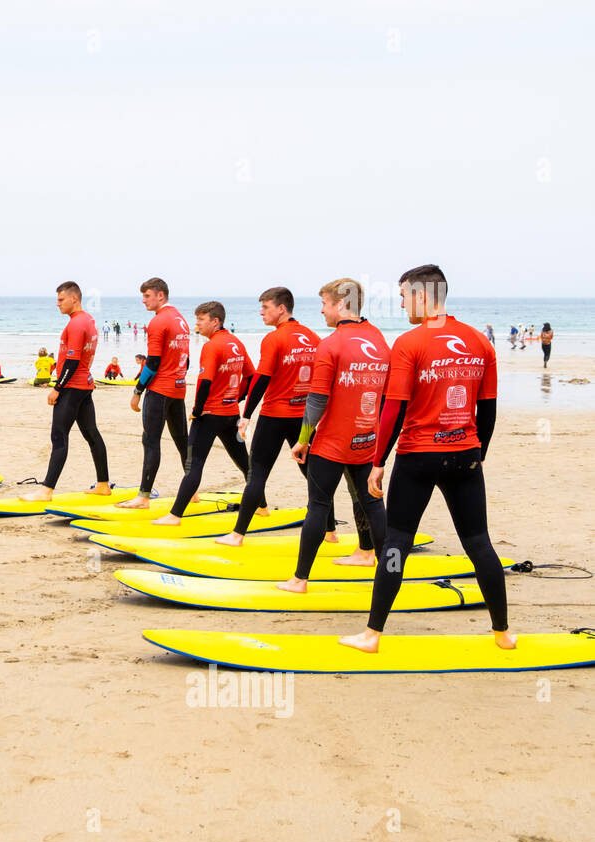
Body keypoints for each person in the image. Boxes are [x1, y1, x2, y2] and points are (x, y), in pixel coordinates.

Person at [342, 264, 509, 653]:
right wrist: (477, 452)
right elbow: (488, 409)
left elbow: (394, 409)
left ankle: (372, 635)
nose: (401, 304)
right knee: (479, 542)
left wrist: (378, 460)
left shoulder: (410, 342)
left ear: (421, 295)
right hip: (464, 454)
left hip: (418, 456)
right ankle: (503, 634)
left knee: (397, 542)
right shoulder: (479, 342)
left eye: (403, 296)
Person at [276, 279, 389, 592]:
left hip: (332, 443)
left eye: (324, 304)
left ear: (340, 305)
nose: (322, 311)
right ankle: (389, 571)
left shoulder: (332, 344)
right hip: (367, 439)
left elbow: (316, 400)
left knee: (318, 507)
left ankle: (299, 580)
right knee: (374, 505)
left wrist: (302, 439)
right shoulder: (379, 340)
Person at [214, 287, 323, 545]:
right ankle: (330, 533)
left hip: (274, 416)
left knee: (257, 475)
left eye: (265, 307)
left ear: (281, 308)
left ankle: (238, 535)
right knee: (313, 475)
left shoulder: (274, 339)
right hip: (304, 418)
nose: (261, 312)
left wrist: (247, 414)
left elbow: (261, 379)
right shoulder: (313, 338)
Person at [151, 301, 251, 526]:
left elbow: (204, 382)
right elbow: (251, 376)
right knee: (245, 463)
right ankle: (262, 507)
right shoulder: (236, 342)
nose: (196, 324)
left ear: (215, 322)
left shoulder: (212, 346)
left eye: (201, 320)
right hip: (231, 415)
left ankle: (175, 515)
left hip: (209, 415)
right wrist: (237, 398)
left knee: (193, 465)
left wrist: (197, 410)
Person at [19, 281, 111, 501]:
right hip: (84, 386)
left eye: (61, 300)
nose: (58, 304)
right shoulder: (89, 320)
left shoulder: (77, 324)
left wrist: (57, 388)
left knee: (59, 436)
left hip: (72, 387)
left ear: (74, 299)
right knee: (91, 434)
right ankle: (103, 484)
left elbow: (72, 360)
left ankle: (46, 490)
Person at [118, 278, 189, 510]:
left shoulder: (159, 321)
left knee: (150, 441)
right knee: (181, 442)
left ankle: (143, 497)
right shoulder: (182, 320)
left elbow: (153, 362)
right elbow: (186, 360)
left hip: (159, 390)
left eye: (147, 296)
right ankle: (193, 490)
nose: (143, 300)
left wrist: (138, 390)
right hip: (178, 389)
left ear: (160, 295)